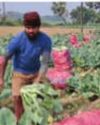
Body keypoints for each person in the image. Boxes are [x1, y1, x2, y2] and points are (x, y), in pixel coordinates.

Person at [0, 11, 52, 123]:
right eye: (28, 28)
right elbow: (5, 58)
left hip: (36, 73)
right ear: (24, 27)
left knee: (38, 98)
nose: (31, 31)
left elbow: (45, 62)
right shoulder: (18, 40)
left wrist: (38, 80)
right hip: (19, 74)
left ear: (39, 27)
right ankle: (19, 121)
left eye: (34, 28)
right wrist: (1, 77)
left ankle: (38, 120)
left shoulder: (45, 40)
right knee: (17, 98)